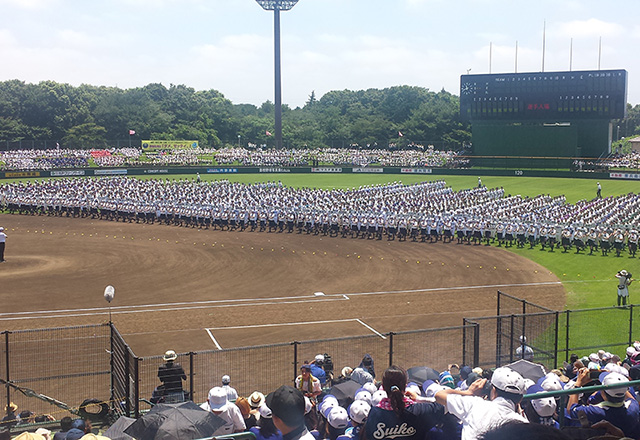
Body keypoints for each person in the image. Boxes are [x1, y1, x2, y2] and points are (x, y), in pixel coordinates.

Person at [434, 366, 528, 440]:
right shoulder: (524, 424)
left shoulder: (475, 404)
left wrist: (468, 393)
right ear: (520, 399)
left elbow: (439, 395)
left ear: (493, 391)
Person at [364, 365, 447, 440]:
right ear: (405, 385)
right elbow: (448, 404)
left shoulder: (374, 414)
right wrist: (419, 398)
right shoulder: (420, 410)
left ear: (383, 387)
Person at [566, 368, 640, 438]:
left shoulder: (595, 412)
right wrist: (617, 382)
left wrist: (578, 383)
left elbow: (570, 409)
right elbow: (630, 398)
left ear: (603, 393)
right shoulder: (633, 408)